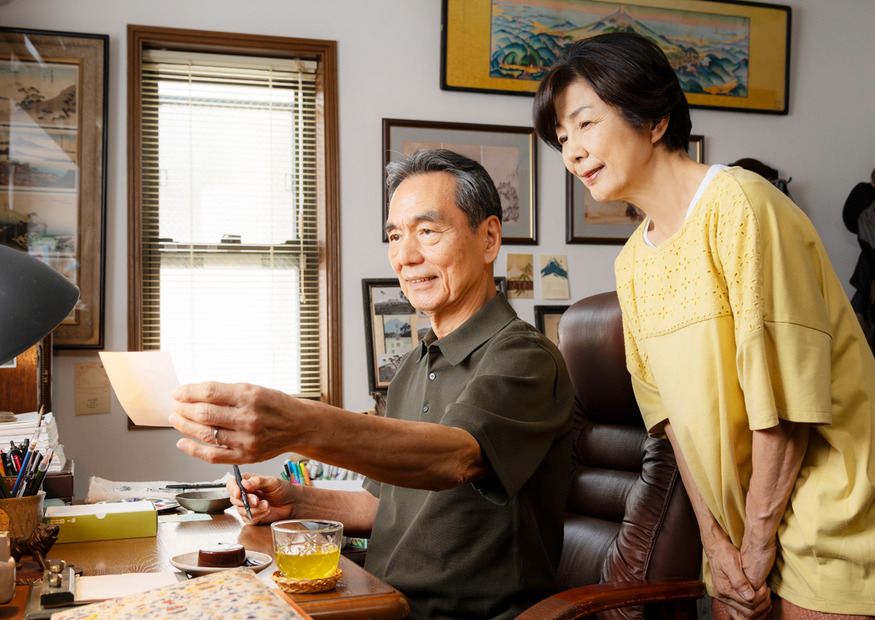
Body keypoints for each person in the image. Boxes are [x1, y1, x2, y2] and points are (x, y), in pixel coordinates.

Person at [533, 32, 875, 620]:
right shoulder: (631, 263)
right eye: (562, 139)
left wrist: (754, 545)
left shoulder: (743, 206)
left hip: (838, 514)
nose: (572, 152)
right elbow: (670, 425)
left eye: (585, 124)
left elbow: (786, 402)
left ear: (653, 118)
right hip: (742, 525)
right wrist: (720, 545)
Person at [168, 149, 575, 620]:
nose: (405, 256)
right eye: (395, 235)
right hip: (375, 602)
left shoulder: (524, 357)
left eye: (427, 231)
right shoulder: (413, 365)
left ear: (488, 238)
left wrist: (299, 424)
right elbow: (385, 505)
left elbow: (453, 458)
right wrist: (296, 499)